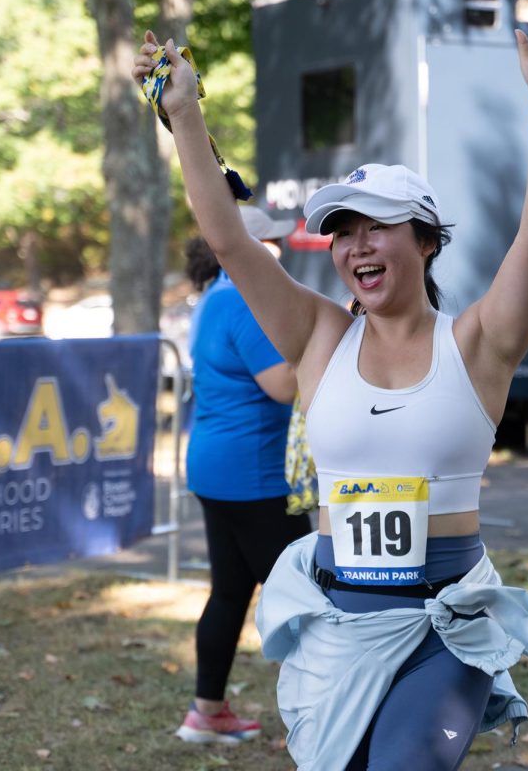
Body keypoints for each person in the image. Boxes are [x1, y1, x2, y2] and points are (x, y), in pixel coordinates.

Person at [134, 0, 528, 769]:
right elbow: (231, 243)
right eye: (342, 230)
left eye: (377, 225)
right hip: (336, 629)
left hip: (443, 629)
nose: (356, 245)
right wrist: (185, 117)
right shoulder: (319, 337)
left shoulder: (476, 345)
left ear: (425, 241)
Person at [176, 205, 313, 744]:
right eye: (272, 242)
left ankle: (205, 713)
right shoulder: (241, 300)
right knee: (307, 604)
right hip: (252, 476)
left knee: (230, 592)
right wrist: (335, 342)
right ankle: (324, 721)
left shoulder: (214, 298)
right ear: (241, 247)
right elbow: (284, 384)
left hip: (216, 468)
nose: (280, 252)